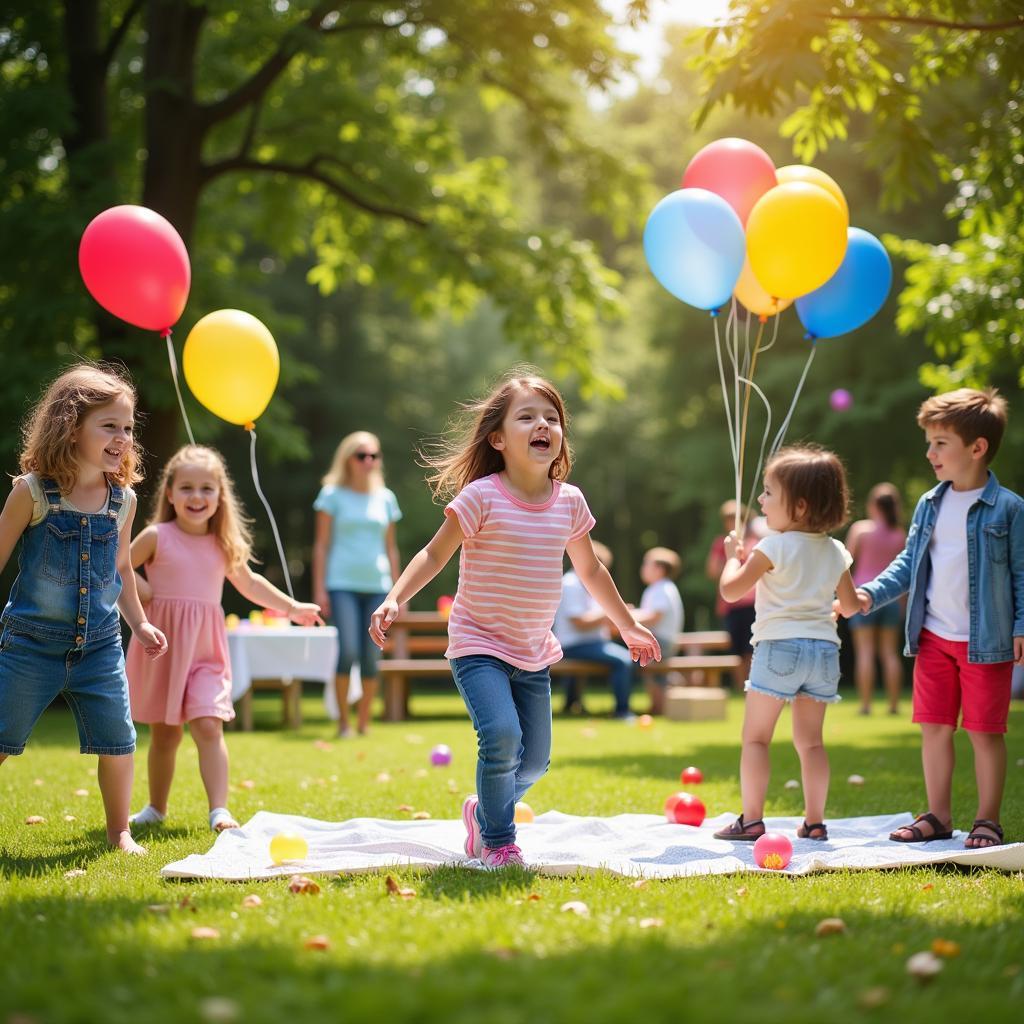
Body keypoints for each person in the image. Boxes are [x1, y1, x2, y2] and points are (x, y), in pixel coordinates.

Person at [369, 370, 660, 868]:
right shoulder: (482, 496)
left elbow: (590, 569)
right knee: (501, 737)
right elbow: (434, 556)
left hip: (532, 650)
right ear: (498, 439)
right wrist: (396, 596)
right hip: (477, 643)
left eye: (551, 417)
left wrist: (626, 624)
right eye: (526, 416)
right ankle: (498, 840)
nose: (542, 424)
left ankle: (483, 809)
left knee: (535, 760)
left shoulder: (569, 502)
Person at [0, 364, 167, 855]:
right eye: (108, 425)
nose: (122, 437)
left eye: (128, 427)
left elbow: (119, 572)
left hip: (99, 646)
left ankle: (120, 833)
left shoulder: (124, 501)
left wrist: (140, 622)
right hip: (30, 644)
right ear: (71, 427)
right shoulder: (32, 493)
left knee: (119, 740)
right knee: (2, 737)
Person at [852, 388, 1023, 849]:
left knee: (985, 732)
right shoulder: (930, 503)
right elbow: (908, 564)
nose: (929, 453)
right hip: (932, 638)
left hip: (986, 640)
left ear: (977, 447)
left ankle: (988, 819)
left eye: (939, 443)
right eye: (928, 442)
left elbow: (1023, 574)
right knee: (934, 727)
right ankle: (938, 816)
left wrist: (1021, 625)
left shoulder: (1009, 508)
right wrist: (868, 594)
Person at [127, 445, 323, 832]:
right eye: (186, 488)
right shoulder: (156, 536)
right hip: (163, 648)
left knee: (208, 724)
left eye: (206, 489)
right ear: (169, 493)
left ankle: (219, 809)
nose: (196, 497)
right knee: (165, 735)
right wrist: (143, 589)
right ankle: (156, 807)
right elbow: (116, 567)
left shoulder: (222, 543)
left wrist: (292, 607)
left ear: (220, 496)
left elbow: (251, 582)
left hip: (205, 651)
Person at [714, 445, 860, 843]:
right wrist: (836, 606)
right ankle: (815, 822)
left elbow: (731, 590)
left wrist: (732, 557)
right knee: (812, 743)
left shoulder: (772, 546)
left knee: (756, 738)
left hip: (779, 649)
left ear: (798, 506)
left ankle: (752, 820)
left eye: (768, 492)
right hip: (825, 653)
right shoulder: (835, 549)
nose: (760, 500)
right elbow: (848, 605)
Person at [312, 431, 401, 737]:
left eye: (374, 456)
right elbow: (321, 546)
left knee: (370, 655)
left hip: (378, 585)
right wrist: (319, 589)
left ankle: (363, 723)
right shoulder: (331, 495)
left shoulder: (386, 498)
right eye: (362, 455)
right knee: (348, 650)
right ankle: (343, 723)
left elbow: (391, 548)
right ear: (347, 459)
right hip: (341, 584)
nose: (369, 461)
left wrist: (399, 592)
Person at [552, 541, 636, 718]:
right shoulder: (571, 584)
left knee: (622, 657)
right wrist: (611, 613)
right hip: (575, 645)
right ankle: (622, 711)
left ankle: (571, 703)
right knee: (623, 661)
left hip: (589, 643)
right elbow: (579, 622)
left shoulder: (582, 585)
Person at [845, 483, 907, 715]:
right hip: (892, 598)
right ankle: (893, 705)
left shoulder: (861, 530)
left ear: (873, 505)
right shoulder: (899, 534)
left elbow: (846, 563)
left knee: (865, 652)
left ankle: (866, 705)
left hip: (863, 595)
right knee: (890, 653)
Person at [706, 501, 762, 691]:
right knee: (737, 650)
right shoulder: (723, 543)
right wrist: (731, 559)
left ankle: (754, 685)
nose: (731, 523)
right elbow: (713, 571)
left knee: (752, 648)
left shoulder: (756, 541)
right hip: (731, 604)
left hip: (754, 603)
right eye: (728, 520)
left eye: (735, 519)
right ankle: (741, 687)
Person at [633, 547, 685, 715]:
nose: (642, 569)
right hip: (665, 639)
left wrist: (628, 618)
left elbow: (655, 616)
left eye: (646, 564)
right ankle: (659, 706)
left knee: (651, 671)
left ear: (660, 570)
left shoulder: (661, 589)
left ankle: (658, 707)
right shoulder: (663, 588)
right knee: (656, 675)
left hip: (661, 639)